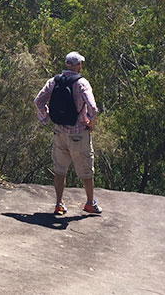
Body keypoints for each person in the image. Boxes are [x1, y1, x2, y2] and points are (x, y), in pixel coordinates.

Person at [34, 51, 101, 215]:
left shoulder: (54, 81)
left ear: (66, 64)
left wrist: (46, 116)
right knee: (85, 170)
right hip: (78, 133)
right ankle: (90, 203)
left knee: (59, 169)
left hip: (59, 132)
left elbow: (38, 101)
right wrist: (90, 123)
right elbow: (92, 108)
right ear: (79, 65)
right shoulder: (82, 83)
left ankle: (59, 204)